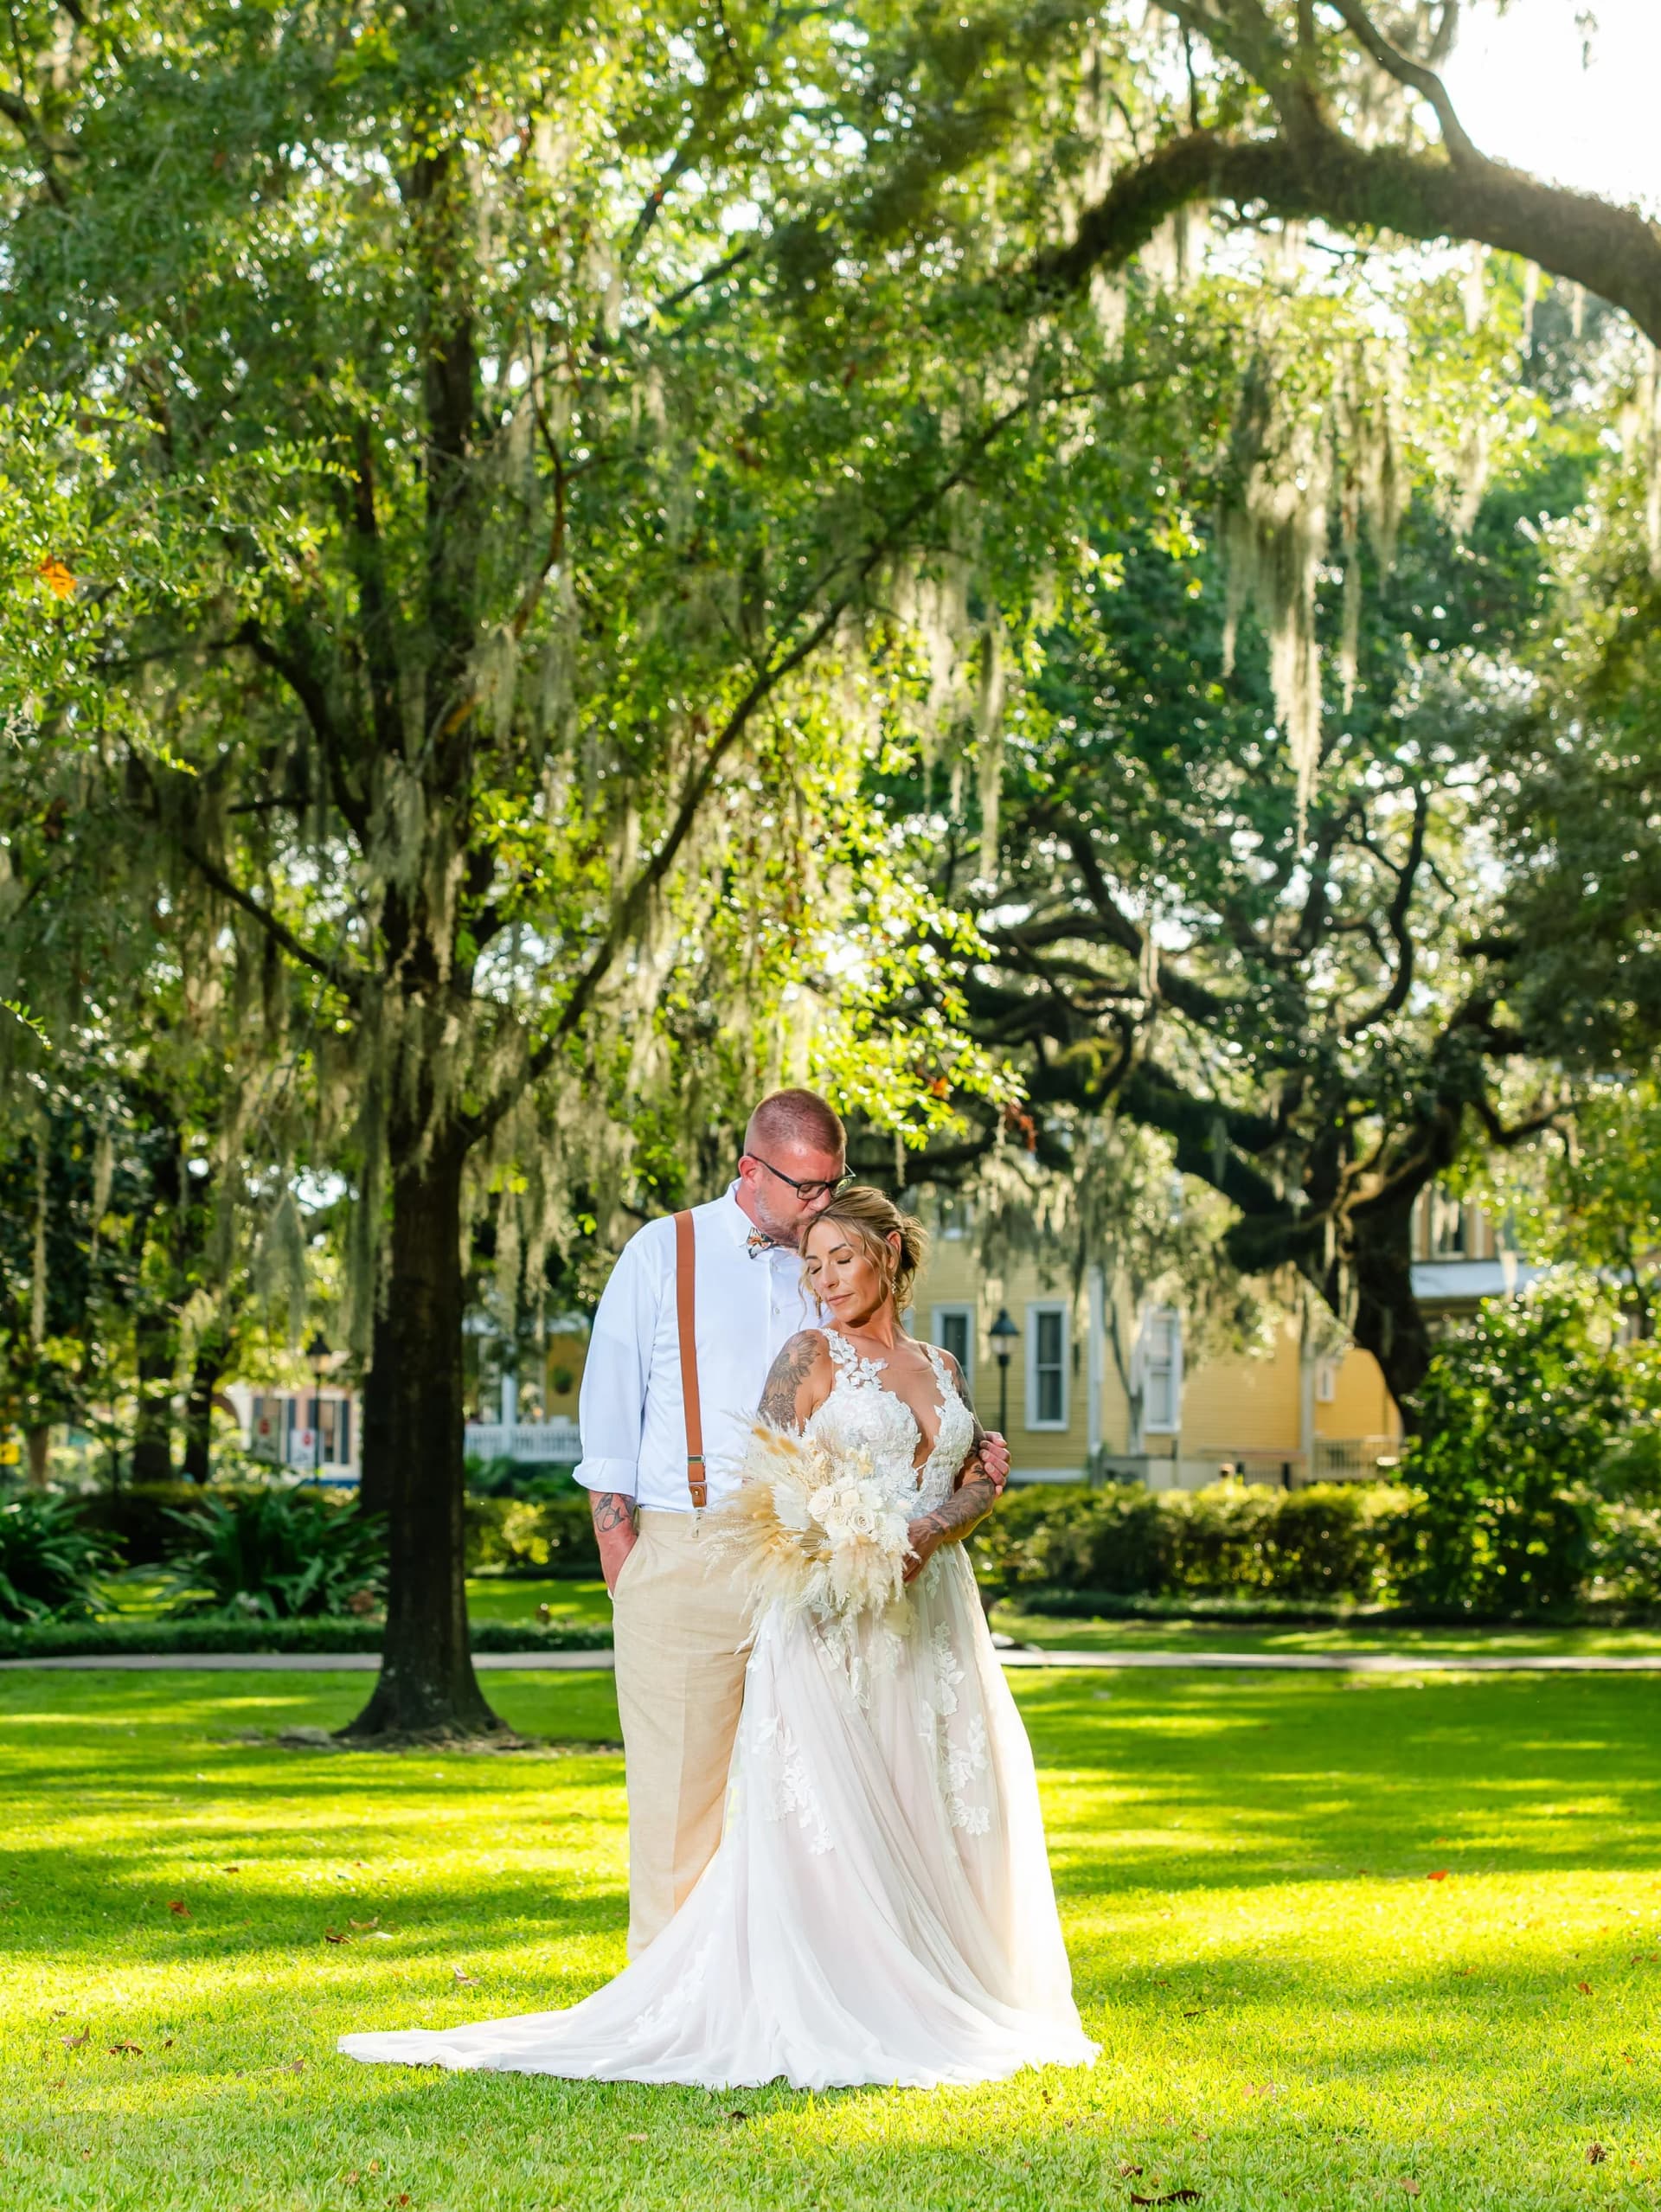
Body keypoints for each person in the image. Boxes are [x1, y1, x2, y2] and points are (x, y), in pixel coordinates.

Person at [338, 1186, 1094, 2090]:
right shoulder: (806, 1355)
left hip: (933, 1619)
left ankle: (948, 1982)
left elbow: (974, 1485)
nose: (823, 1281)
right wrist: (846, 1538)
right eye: (811, 1265)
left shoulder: (944, 1365)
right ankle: (846, 1994)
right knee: (836, 1819)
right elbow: (764, 1491)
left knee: (937, 1797)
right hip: (827, 1620)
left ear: (889, 1250)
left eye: (840, 1258)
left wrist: (931, 1529)